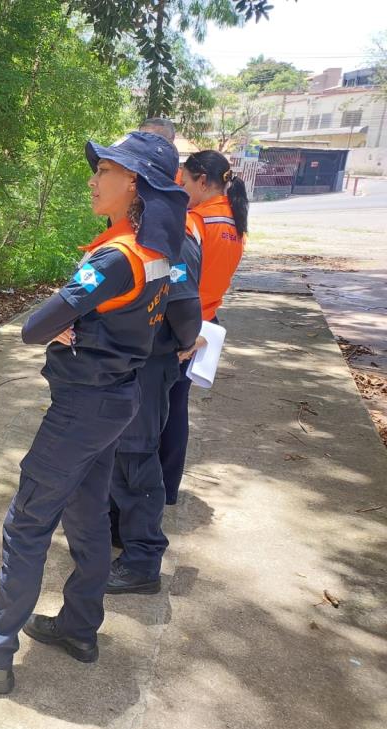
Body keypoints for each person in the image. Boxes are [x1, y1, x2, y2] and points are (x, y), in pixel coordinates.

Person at [0, 131, 187, 694]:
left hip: (82, 408)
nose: (94, 180)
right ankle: (78, 626)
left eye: (107, 171)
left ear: (136, 184)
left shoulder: (116, 257)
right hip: (118, 400)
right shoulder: (157, 251)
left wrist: (65, 323)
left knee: (27, 523)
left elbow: (32, 327)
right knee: (89, 516)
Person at [106, 212, 203, 592]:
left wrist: (181, 344)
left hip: (148, 364)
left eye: (106, 172)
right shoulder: (129, 232)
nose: (94, 181)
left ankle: (143, 561)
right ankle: (121, 533)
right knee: (117, 453)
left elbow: (185, 308)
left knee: (136, 458)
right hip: (123, 364)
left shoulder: (170, 237)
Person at [159, 150, 249, 506]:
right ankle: (167, 488)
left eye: (184, 181)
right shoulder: (235, 226)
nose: (181, 188)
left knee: (157, 409)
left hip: (181, 325)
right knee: (177, 406)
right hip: (207, 323)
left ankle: (152, 488)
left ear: (200, 180)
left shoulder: (194, 222)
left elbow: (178, 283)